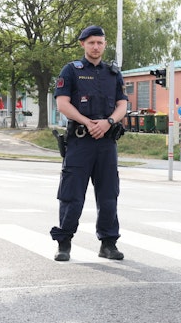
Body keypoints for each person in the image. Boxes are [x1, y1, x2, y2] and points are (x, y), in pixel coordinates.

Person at [50, 25, 128, 262]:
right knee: (71, 194)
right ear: (83, 44)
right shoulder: (71, 70)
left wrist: (108, 122)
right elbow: (62, 104)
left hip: (106, 143)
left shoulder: (113, 73)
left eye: (100, 42)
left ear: (105, 45)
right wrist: (88, 122)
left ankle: (108, 243)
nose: (96, 46)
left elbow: (122, 104)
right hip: (80, 142)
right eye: (91, 42)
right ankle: (64, 244)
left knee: (108, 195)